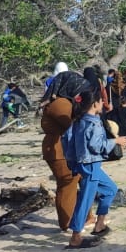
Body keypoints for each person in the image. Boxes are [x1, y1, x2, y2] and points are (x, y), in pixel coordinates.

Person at [65, 85, 126, 248]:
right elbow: (96, 145)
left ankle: (100, 223)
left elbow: (68, 141)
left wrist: (72, 163)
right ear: (95, 104)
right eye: (101, 102)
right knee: (85, 201)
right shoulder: (93, 124)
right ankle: (75, 237)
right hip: (91, 164)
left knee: (110, 190)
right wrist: (115, 141)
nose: (103, 105)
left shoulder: (78, 121)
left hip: (84, 163)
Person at [38, 62, 85, 231]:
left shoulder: (58, 101)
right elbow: (71, 124)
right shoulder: (60, 104)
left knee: (75, 181)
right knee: (68, 183)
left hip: (61, 148)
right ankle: (68, 222)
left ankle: (83, 217)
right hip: (59, 149)